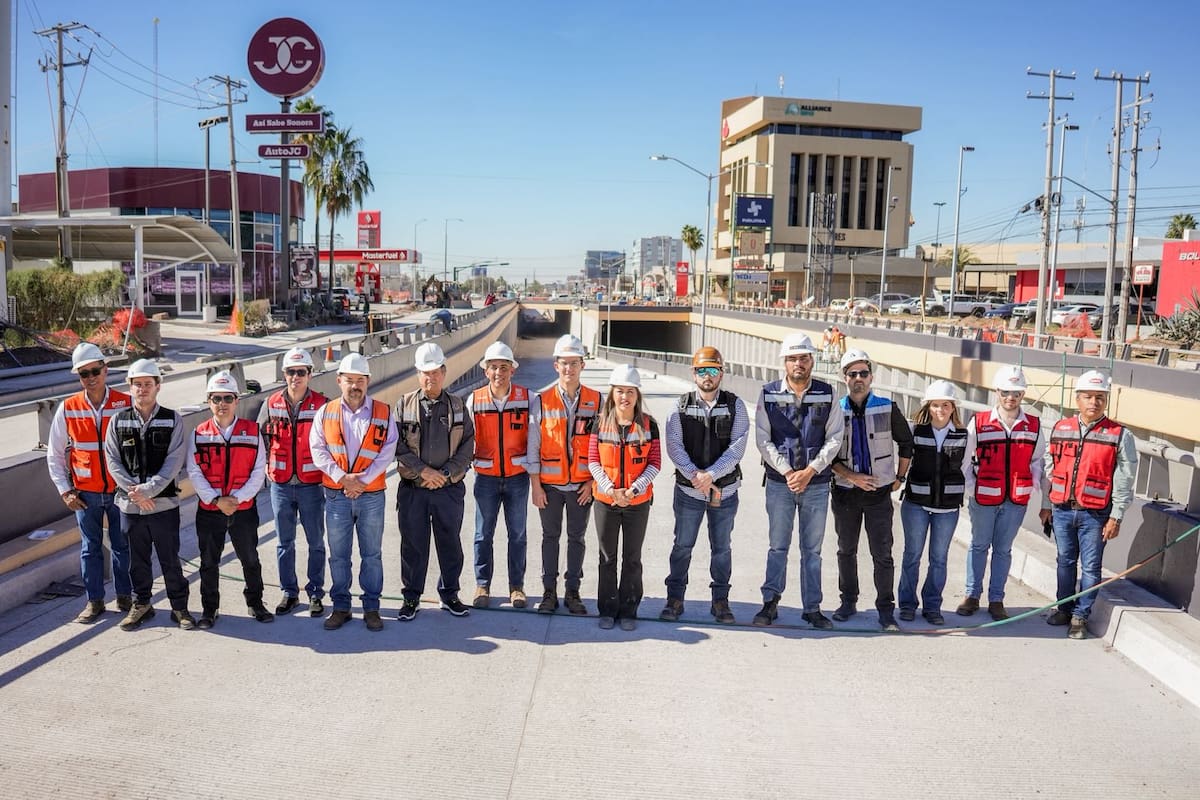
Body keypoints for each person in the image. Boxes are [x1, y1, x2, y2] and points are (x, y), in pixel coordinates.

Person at [753, 333, 843, 629]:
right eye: (793, 359)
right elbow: (763, 440)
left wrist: (810, 471)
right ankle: (770, 603)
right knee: (778, 546)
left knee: (812, 551)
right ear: (784, 363)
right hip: (780, 484)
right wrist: (789, 472)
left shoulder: (827, 393)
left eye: (803, 358)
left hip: (815, 485)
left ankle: (812, 608)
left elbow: (835, 438)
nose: (798, 364)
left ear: (811, 361)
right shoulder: (768, 393)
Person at [1039, 370, 1137, 640]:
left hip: (1095, 514)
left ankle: (1080, 616)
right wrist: (1046, 504)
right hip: (1061, 509)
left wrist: (1116, 516)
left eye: (1100, 397)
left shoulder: (1119, 435)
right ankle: (1064, 608)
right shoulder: (1061, 428)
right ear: (1078, 398)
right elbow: (1051, 470)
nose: (1094, 402)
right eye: (1088, 397)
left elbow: (1125, 479)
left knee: (1091, 567)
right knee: (1064, 561)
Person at [660, 346, 749, 624]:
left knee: (721, 548)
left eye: (713, 370)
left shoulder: (736, 406)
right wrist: (694, 476)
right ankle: (675, 599)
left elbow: (737, 448)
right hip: (689, 492)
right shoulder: (680, 406)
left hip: (724, 492)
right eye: (702, 370)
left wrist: (710, 475)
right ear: (693, 373)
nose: (707, 376)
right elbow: (674, 445)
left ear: (721, 373)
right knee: (682, 546)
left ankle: (720, 602)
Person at [46, 342, 133, 624]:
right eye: (84, 373)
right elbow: (54, 454)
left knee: (122, 546)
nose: (91, 377)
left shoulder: (125, 402)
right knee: (90, 548)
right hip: (86, 494)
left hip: (121, 491)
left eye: (95, 370)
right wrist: (65, 491)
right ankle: (94, 602)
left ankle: (125, 597)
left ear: (105, 370)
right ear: (79, 377)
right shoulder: (68, 408)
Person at [309, 354, 398, 632]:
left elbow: (388, 450)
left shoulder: (383, 412)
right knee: (339, 555)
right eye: (349, 381)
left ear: (368, 382)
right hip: (337, 496)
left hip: (371, 495)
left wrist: (362, 480)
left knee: (372, 554)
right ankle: (341, 607)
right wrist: (342, 478)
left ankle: (371, 608)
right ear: (339, 381)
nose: (355, 386)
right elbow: (317, 449)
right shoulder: (326, 412)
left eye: (360, 380)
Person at [103, 359, 194, 630]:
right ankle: (141, 604)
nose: (142, 389)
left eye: (148, 384)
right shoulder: (118, 421)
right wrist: (135, 493)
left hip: (163, 504)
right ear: (130, 387)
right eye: (137, 384)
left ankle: (180, 608)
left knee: (170, 560)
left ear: (158, 386)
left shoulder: (172, 419)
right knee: (136, 561)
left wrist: (148, 490)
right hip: (130, 507)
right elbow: (112, 460)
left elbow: (175, 460)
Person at [829, 349, 913, 631]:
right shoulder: (834, 409)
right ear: (845, 378)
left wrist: (899, 477)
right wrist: (852, 477)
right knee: (846, 550)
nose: (858, 379)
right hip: (845, 491)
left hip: (878, 494)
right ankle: (848, 601)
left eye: (863, 373)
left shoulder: (888, 407)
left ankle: (886, 610)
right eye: (852, 374)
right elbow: (825, 454)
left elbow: (907, 443)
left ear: (871, 376)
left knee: (882, 553)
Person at [186, 370, 274, 630]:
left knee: (250, 559)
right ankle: (209, 609)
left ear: (237, 400)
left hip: (243, 509)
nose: (221, 404)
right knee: (209, 562)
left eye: (227, 398)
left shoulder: (251, 431)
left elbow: (260, 470)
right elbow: (194, 471)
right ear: (209, 401)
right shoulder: (199, 434)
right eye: (216, 399)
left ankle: (256, 602)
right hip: (210, 510)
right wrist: (216, 500)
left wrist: (237, 498)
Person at [958, 365, 1045, 621]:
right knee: (978, 546)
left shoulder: (1033, 425)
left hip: (1015, 499)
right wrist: (971, 488)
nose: (1011, 397)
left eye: (1016, 392)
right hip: (984, 496)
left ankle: (996, 599)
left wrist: (1034, 482)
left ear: (1023, 395)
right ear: (997, 391)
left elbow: (1038, 459)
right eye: (1006, 392)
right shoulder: (980, 422)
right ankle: (972, 596)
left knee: (1003, 550)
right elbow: (965, 459)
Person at [395, 342, 475, 621]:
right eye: (425, 373)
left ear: (444, 371)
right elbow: (396, 446)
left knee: (449, 543)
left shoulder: (457, 406)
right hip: (414, 490)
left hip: (448, 490)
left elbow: (467, 446)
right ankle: (411, 597)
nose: (431, 378)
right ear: (418, 374)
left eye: (436, 372)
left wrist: (445, 475)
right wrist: (423, 472)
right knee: (413, 545)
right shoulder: (403, 405)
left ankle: (450, 594)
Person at [527, 334, 598, 615]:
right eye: (564, 363)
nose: (569, 369)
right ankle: (548, 593)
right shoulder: (541, 401)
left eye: (574, 363)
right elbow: (533, 445)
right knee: (550, 538)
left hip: (581, 486)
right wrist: (536, 486)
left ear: (582, 365)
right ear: (555, 366)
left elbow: (603, 446)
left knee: (577, 539)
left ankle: (572, 592)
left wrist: (592, 482)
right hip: (551, 487)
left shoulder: (597, 400)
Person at [258, 347, 330, 617]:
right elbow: (260, 437)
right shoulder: (271, 403)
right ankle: (289, 592)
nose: (295, 377)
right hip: (281, 485)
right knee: (284, 542)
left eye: (301, 372)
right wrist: (267, 467)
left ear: (310, 374)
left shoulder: (322, 404)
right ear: (284, 374)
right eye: (291, 372)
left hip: (312, 484)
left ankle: (315, 593)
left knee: (315, 541)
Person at [588, 365, 660, 631]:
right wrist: (610, 489)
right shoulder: (600, 422)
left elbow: (654, 463)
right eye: (620, 391)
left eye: (630, 391)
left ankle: (629, 610)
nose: (624, 397)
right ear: (612, 393)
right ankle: (607, 609)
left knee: (632, 557)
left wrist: (634, 490)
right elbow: (593, 461)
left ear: (637, 394)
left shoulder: (649, 424)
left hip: (636, 503)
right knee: (607, 557)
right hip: (606, 501)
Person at [897, 380, 969, 626]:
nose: (940, 410)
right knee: (912, 555)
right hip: (916, 504)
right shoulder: (915, 431)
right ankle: (907, 605)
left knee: (939, 558)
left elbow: (967, 468)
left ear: (953, 408)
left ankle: (932, 606)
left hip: (947, 509)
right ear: (928, 406)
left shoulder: (963, 435)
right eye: (936, 405)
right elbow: (905, 459)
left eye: (945, 405)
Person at [470, 341, 531, 608]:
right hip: (486, 478)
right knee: (483, 533)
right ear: (486, 371)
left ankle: (516, 587)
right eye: (493, 367)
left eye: (503, 367)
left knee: (517, 534)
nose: (498, 372)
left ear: (512, 371)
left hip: (518, 477)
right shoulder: (475, 400)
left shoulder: (529, 399)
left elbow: (538, 439)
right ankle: (482, 586)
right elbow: (465, 438)